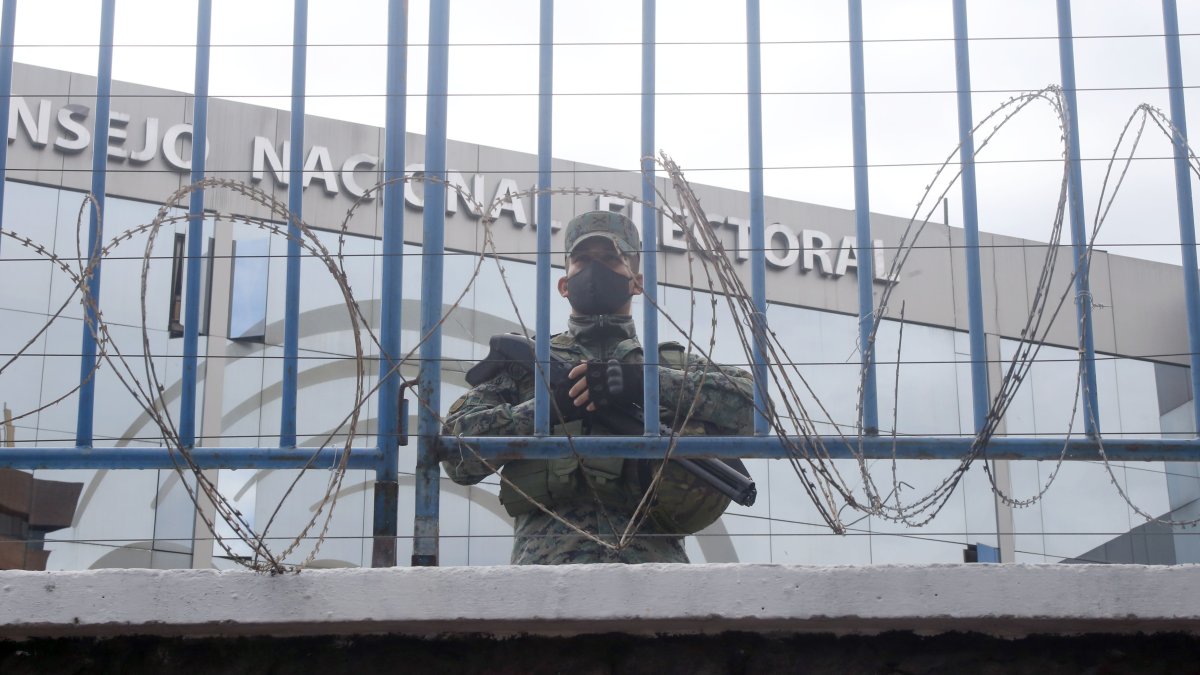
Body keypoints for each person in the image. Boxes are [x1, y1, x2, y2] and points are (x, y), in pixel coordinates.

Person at [442, 210, 754, 564]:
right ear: (564, 284)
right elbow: (456, 455)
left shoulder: (669, 365)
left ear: (636, 282)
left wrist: (644, 383)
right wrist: (546, 408)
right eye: (582, 261)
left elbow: (755, 409)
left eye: (611, 260)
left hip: (654, 575)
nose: (596, 270)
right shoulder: (529, 365)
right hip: (545, 576)